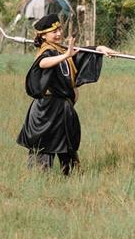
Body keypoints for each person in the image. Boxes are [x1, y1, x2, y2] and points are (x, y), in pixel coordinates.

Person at [16, 13, 115, 174]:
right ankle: (38, 179)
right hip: (47, 110)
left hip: (63, 108)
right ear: (43, 35)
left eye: (60, 29)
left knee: (67, 145)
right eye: (53, 31)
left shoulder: (60, 50)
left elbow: (81, 55)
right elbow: (42, 63)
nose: (59, 33)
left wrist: (100, 49)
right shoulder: (47, 51)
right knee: (43, 147)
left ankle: (72, 176)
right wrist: (65, 55)